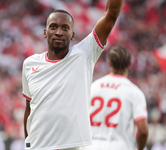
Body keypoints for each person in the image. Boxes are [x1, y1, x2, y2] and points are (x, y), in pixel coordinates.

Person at [22, 0, 124, 149]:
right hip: (38, 146)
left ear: (72, 34)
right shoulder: (29, 64)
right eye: (53, 27)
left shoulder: (84, 54)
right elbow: (29, 109)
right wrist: (28, 143)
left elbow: (111, 15)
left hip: (72, 146)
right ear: (45, 32)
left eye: (65, 28)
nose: (59, 32)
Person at [85, 46, 148, 150]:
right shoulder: (134, 92)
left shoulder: (93, 87)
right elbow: (143, 130)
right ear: (129, 64)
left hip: (90, 146)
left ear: (109, 63)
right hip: (119, 146)